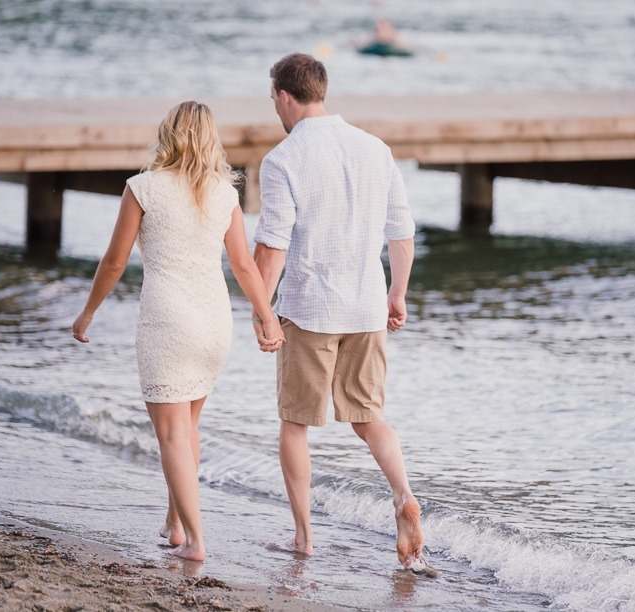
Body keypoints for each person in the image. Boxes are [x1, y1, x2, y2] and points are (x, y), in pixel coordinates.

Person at [72, 101, 285, 562]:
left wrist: (88, 312)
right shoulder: (224, 193)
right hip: (213, 323)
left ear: (167, 134)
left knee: (171, 434)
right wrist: (266, 315)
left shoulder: (142, 188)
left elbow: (113, 261)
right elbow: (245, 265)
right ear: (211, 139)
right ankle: (173, 524)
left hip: (168, 321)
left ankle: (195, 541)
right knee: (186, 426)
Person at [252, 53, 431, 572]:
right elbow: (401, 231)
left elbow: (272, 247)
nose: (276, 110)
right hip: (367, 306)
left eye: (274, 101)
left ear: (285, 97)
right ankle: (403, 494)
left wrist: (264, 312)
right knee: (369, 418)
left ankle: (304, 538)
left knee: (295, 423)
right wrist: (397, 293)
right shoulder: (376, 148)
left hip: (310, 309)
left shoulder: (284, 158)